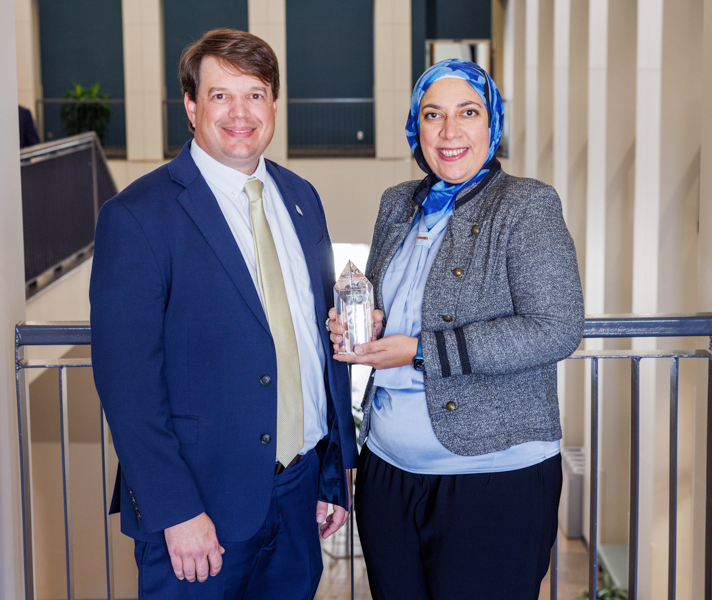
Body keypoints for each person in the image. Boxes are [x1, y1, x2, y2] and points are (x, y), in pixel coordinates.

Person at [90, 28, 356, 600]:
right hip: (198, 512)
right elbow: (126, 385)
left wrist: (330, 475)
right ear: (191, 106)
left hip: (298, 495)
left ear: (275, 106)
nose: (240, 112)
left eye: (255, 94)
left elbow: (315, 345)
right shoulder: (136, 217)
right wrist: (176, 511)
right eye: (220, 96)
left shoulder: (303, 199)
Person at [329, 59, 585, 599]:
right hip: (387, 472)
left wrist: (421, 351)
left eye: (468, 112)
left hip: (492, 479)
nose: (449, 132)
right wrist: (363, 321)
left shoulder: (526, 204)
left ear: (491, 123)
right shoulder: (397, 203)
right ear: (414, 128)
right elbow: (385, 301)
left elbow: (557, 327)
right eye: (432, 114)